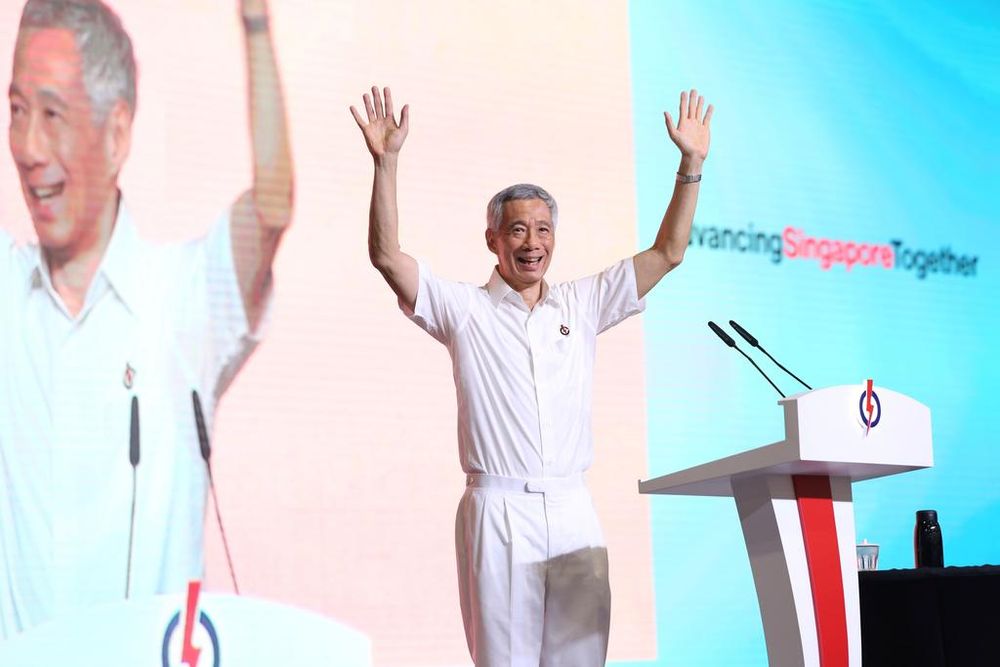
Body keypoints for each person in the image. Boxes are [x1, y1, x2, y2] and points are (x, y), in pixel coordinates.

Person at [351, 85, 712, 666]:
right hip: (498, 513)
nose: (532, 242)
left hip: (573, 511)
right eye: (517, 230)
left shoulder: (583, 303)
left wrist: (690, 164)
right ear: (493, 240)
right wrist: (385, 163)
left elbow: (668, 252)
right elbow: (387, 256)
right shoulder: (463, 310)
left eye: (543, 230)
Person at [0, 0, 292, 639]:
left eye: (52, 114)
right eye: (16, 111)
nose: (26, 146)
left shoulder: (183, 297)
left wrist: (256, 25)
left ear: (117, 132)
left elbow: (271, 209)